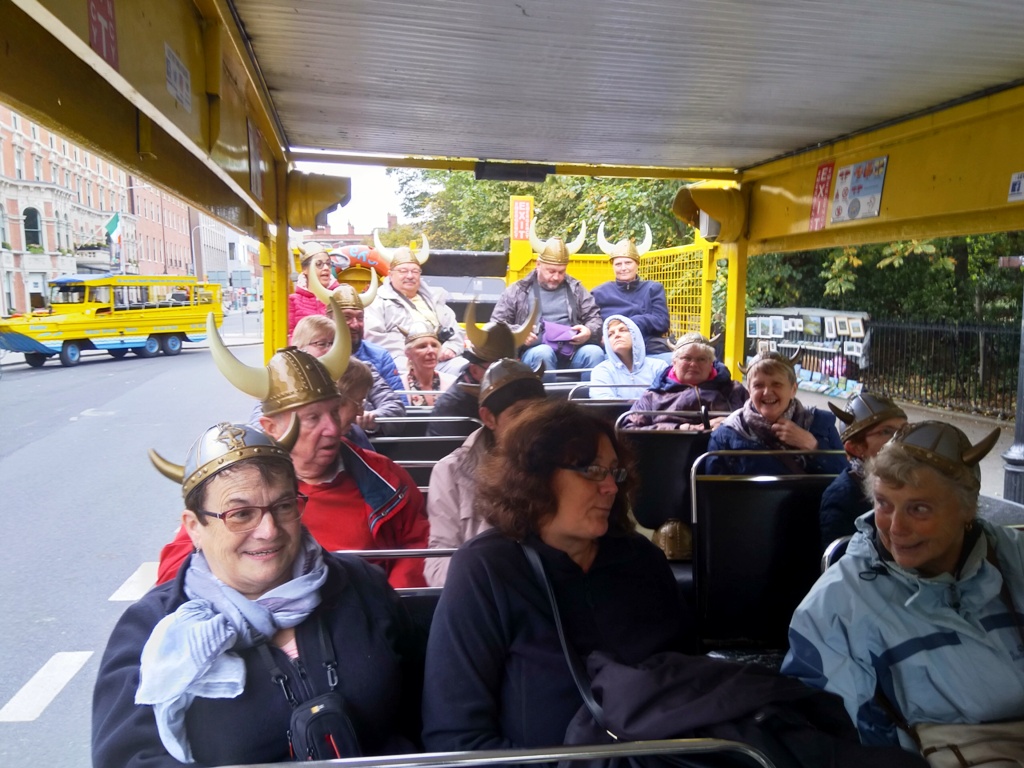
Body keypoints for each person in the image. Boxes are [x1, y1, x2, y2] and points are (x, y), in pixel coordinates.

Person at [93, 422, 424, 766]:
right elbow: (128, 758)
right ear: (194, 527)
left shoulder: (361, 585)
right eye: (240, 514)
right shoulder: (150, 630)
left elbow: (426, 704)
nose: (268, 530)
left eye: (283, 506)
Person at [421, 400, 693, 751]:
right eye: (592, 470)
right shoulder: (486, 570)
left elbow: (692, 683)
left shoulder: (642, 560)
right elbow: (455, 736)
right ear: (537, 477)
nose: (611, 487)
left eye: (614, 472)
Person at [781, 421, 1020, 752]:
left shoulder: (1013, 559)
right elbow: (836, 742)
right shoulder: (836, 606)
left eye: (918, 508)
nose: (896, 528)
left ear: (967, 508)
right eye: (883, 503)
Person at [156, 302, 429, 588]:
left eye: (335, 412)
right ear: (271, 428)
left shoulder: (384, 476)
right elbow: (173, 574)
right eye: (312, 418)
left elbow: (417, 545)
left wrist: (382, 602)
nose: (332, 428)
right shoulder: (232, 487)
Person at [424, 359, 546, 587]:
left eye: (538, 411)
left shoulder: (561, 463)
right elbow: (438, 563)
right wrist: (491, 580)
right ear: (489, 418)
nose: (531, 422)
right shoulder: (451, 471)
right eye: (519, 413)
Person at [491, 217, 604, 375]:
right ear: (538, 265)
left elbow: (594, 318)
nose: (556, 277)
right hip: (533, 353)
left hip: (572, 353)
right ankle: (544, 393)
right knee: (543, 353)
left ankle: (589, 392)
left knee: (594, 353)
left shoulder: (577, 289)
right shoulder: (517, 290)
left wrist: (589, 331)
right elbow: (496, 325)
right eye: (551, 271)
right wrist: (519, 333)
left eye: (561, 272)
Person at [706, 350, 847, 475]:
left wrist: (814, 446)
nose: (767, 392)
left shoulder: (821, 423)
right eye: (758, 385)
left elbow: (845, 478)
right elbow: (714, 491)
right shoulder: (726, 434)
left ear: (793, 389)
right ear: (749, 391)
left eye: (776, 384)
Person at [426, 299, 536, 437]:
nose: (506, 375)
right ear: (474, 370)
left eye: (510, 367)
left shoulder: (513, 392)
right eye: (496, 369)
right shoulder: (453, 405)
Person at [290, 312, 406, 438]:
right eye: (322, 344)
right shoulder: (289, 379)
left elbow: (395, 408)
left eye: (335, 343)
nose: (331, 350)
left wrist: (373, 418)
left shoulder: (361, 370)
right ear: (300, 348)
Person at [363, 231, 465, 372]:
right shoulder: (377, 302)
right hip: (401, 361)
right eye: (403, 271)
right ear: (390, 275)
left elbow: (456, 330)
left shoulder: (435, 298)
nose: (410, 276)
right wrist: (416, 351)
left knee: (463, 367)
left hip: (440, 359)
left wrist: (451, 348)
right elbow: (373, 337)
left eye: (415, 271)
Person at [818, 393, 908, 550]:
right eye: (886, 431)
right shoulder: (842, 497)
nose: (901, 438)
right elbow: (845, 559)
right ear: (856, 448)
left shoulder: (913, 480)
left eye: (905, 430)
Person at [306, 265, 407, 403]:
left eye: (360, 318)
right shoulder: (314, 357)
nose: (355, 324)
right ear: (329, 319)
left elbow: (399, 403)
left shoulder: (380, 357)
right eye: (346, 317)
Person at [625, 332, 747, 429]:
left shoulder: (733, 390)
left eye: (701, 359)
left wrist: (729, 421)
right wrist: (676, 429)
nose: (693, 364)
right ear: (674, 363)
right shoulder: (654, 395)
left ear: (711, 364)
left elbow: (755, 418)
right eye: (687, 358)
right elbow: (628, 427)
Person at [591, 222, 673, 359]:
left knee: (673, 361)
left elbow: (662, 322)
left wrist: (631, 323)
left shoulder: (653, 289)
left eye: (628, 263)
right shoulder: (599, 293)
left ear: (637, 264)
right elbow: (592, 322)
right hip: (612, 351)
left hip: (648, 349)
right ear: (613, 266)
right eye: (618, 264)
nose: (623, 268)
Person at [589, 314, 668, 399]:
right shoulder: (601, 371)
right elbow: (603, 402)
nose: (617, 335)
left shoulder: (659, 367)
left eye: (622, 330)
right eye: (610, 334)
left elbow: (669, 398)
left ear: (635, 335)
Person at [286, 241, 340, 339]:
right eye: (319, 264)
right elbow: (290, 336)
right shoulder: (293, 301)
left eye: (328, 264)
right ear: (305, 269)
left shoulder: (340, 296)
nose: (326, 268)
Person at [400, 321, 455, 407]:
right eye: (422, 346)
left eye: (434, 345)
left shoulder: (452, 383)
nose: (431, 351)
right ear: (408, 354)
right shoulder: (399, 385)